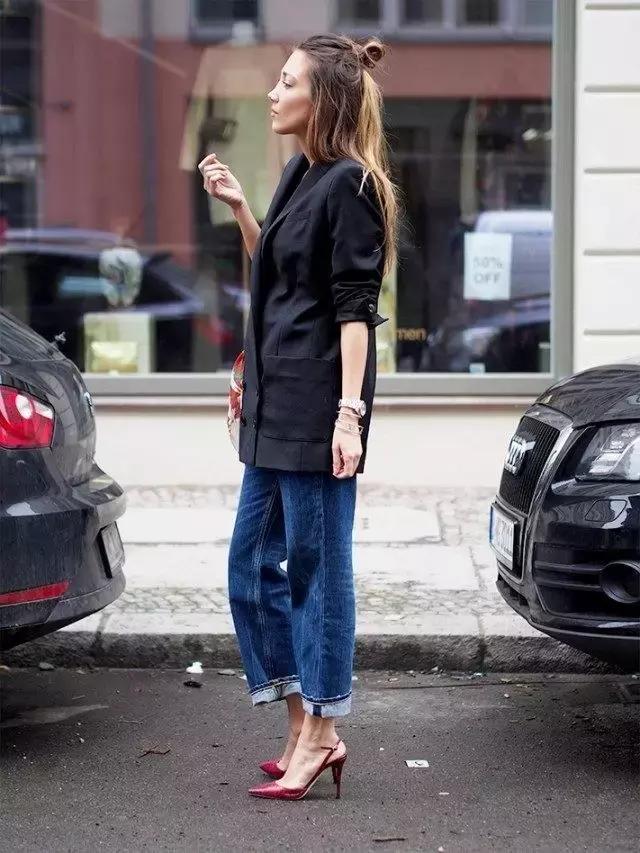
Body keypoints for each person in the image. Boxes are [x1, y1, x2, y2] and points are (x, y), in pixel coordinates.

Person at [198, 33, 398, 802]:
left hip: (317, 413)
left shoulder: (352, 186)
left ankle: (323, 727)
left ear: (323, 101)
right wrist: (242, 210)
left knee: (317, 571)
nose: (273, 93)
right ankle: (300, 722)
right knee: (250, 566)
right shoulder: (297, 174)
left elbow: (355, 312)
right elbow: (276, 275)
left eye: (287, 83)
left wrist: (349, 416)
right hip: (272, 405)